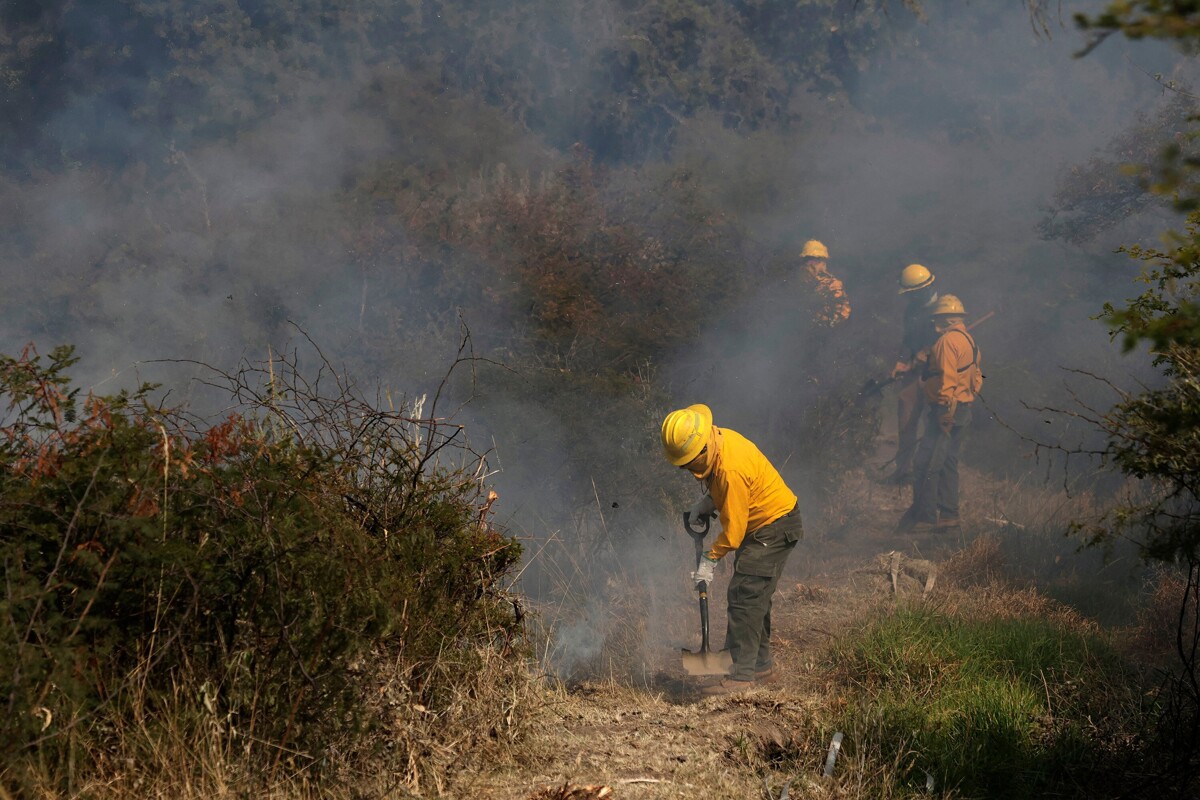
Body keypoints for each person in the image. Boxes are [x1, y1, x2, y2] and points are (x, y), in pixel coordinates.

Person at [661, 404, 804, 696]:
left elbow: (734, 533)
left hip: (773, 527)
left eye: (689, 464)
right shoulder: (719, 443)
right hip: (766, 524)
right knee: (755, 595)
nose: (688, 471)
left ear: (702, 450)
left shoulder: (729, 469)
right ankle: (760, 666)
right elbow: (728, 493)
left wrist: (709, 559)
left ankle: (740, 676)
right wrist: (707, 504)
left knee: (745, 594)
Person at [896, 295, 983, 533]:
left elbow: (947, 378)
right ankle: (949, 515)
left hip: (946, 410)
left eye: (938, 318)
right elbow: (976, 379)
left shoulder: (946, 342)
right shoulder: (969, 340)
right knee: (948, 463)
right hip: (962, 409)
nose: (934, 322)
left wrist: (945, 409)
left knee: (927, 463)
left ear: (946, 319)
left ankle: (924, 516)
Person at [887, 264, 941, 484]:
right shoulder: (911, 310)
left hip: (937, 374)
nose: (908, 298)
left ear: (923, 289)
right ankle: (903, 471)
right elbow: (908, 341)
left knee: (933, 424)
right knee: (906, 419)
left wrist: (927, 351)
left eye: (911, 294)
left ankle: (928, 473)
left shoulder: (943, 308)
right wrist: (902, 361)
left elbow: (948, 340)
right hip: (913, 374)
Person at [799, 240, 851, 326]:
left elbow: (842, 315)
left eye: (815, 260)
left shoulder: (833, 284)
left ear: (822, 262)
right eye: (808, 260)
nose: (810, 264)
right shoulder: (802, 283)